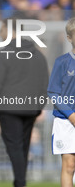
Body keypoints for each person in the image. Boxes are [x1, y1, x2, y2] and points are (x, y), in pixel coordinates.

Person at [0, 17, 49, 187]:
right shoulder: (38, 55)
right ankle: (20, 181)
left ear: (8, 29)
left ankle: (20, 183)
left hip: (10, 109)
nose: (0, 33)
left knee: (15, 147)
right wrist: (38, 107)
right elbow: (44, 83)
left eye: (2, 29)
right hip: (31, 108)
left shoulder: (4, 53)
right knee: (23, 147)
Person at [48, 17, 75, 187]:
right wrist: (71, 115)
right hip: (66, 122)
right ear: (69, 38)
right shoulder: (62, 62)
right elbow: (53, 93)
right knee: (69, 165)